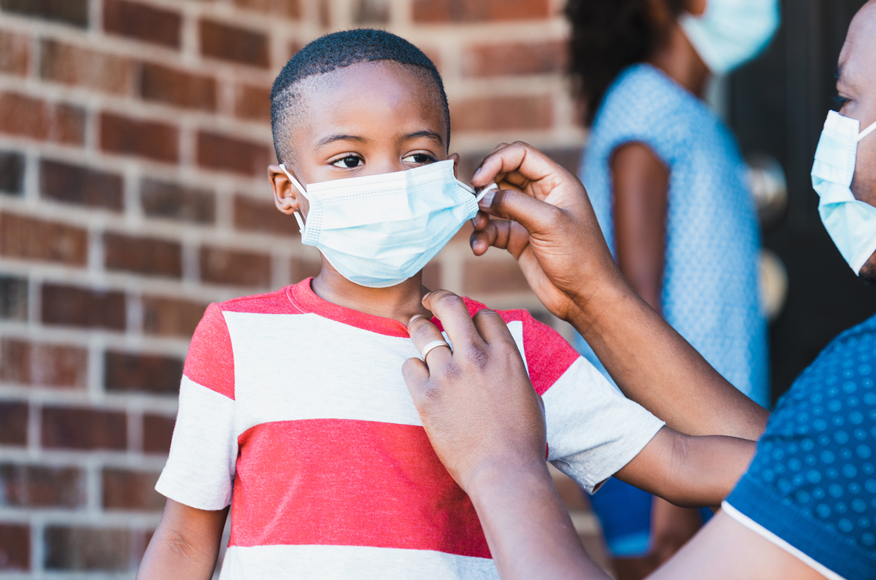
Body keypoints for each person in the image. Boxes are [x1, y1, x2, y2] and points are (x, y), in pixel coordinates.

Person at [400, 0, 876, 578]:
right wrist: (590, 295)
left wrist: (501, 464)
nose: (835, 126)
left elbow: (860, 442)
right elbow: (833, 462)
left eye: (847, 101)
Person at [135, 29, 760, 580]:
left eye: (417, 156)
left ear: (451, 176)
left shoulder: (509, 349)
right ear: (287, 190)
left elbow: (679, 460)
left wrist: (844, 459)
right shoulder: (237, 338)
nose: (388, 179)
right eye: (349, 160)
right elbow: (188, 537)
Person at [565, 0, 775, 571]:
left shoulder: (686, 111)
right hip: (661, 447)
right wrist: (673, 482)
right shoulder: (645, 106)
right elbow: (633, 300)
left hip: (703, 438)